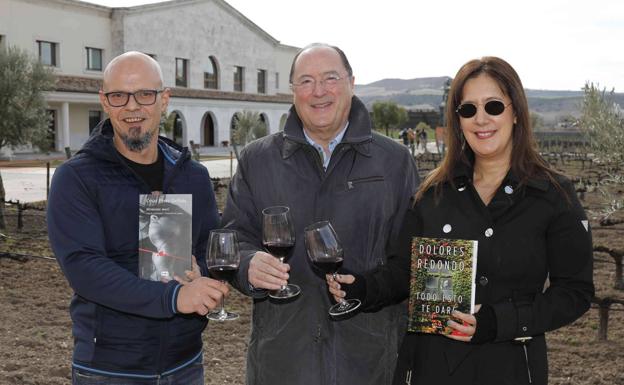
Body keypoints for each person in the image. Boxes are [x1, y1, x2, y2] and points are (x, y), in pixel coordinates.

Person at [329, 56, 594, 385]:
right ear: (458, 120)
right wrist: (364, 288)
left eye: (493, 106)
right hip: (430, 369)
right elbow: (404, 272)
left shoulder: (553, 195)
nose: (481, 119)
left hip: (510, 368)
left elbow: (575, 293)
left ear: (515, 113)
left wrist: (499, 321)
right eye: (468, 109)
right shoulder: (432, 194)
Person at [220, 43, 420, 385]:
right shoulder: (257, 160)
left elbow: (412, 257)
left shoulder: (395, 162)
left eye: (330, 78)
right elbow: (235, 237)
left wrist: (370, 289)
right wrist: (248, 264)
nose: (319, 92)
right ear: (293, 91)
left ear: (352, 83)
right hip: (282, 360)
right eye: (306, 81)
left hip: (369, 361)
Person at [47, 51, 227, 385]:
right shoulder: (76, 179)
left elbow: (209, 248)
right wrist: (173, 297)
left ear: (164, 99)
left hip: (185, 364)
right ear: (104, 101)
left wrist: (204, 272)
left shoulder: (192, 176)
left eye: (145, 94)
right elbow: (86, 269)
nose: (132, 107)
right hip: (109, 370)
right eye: (119, 96)